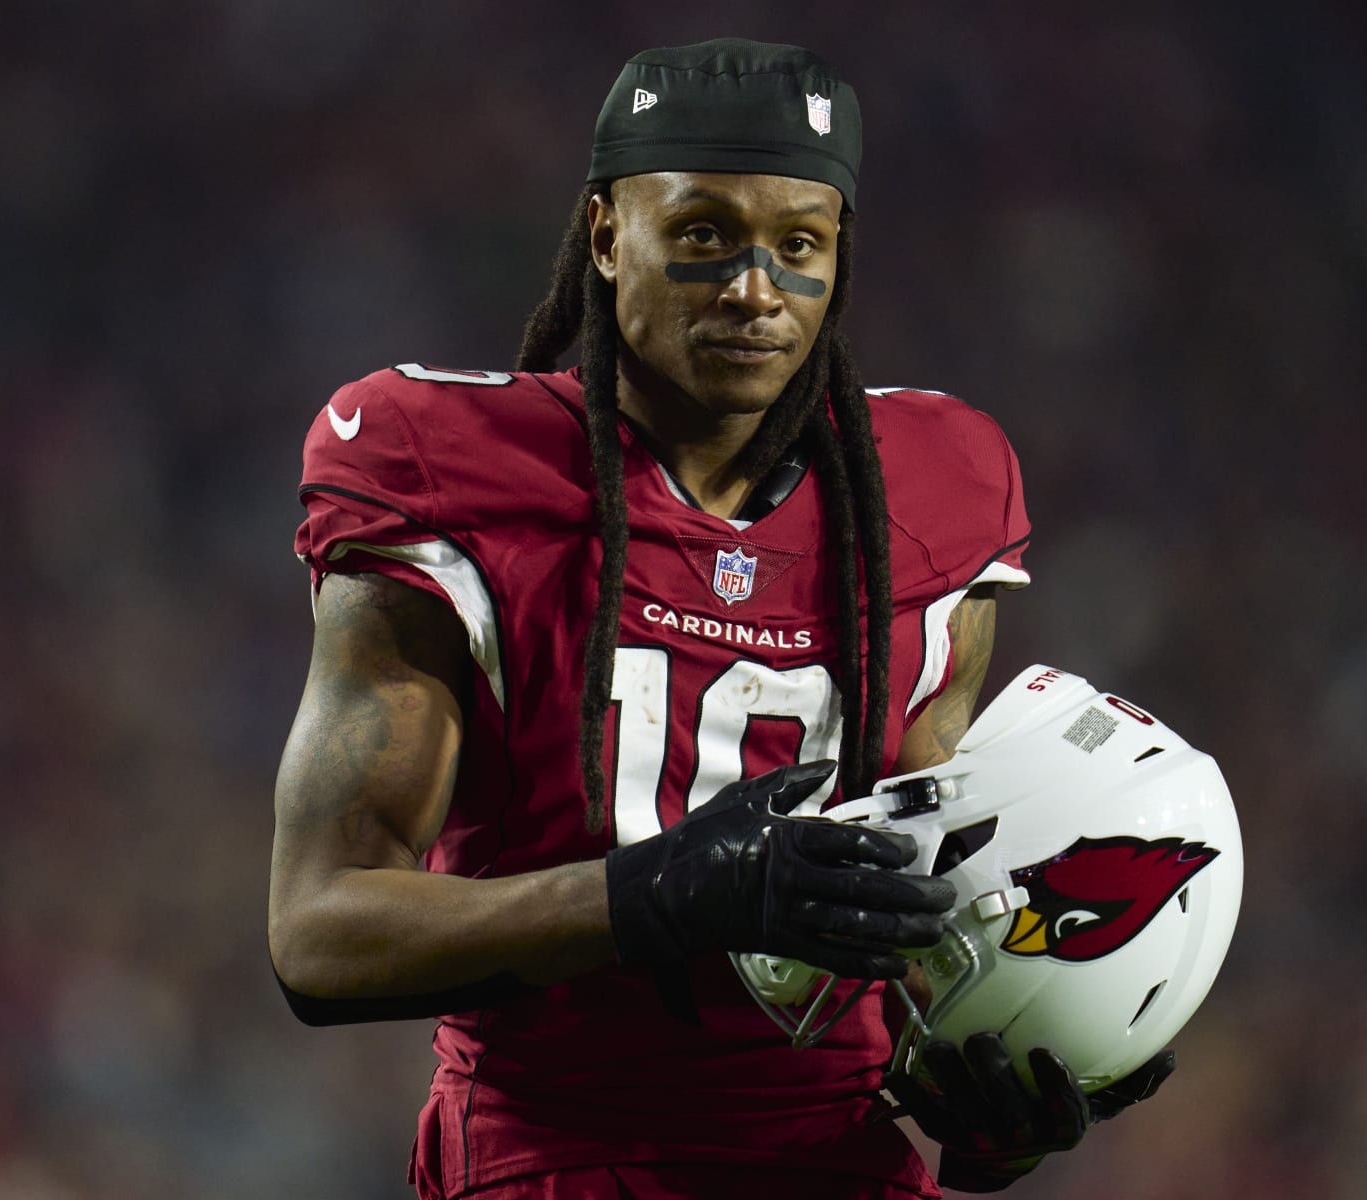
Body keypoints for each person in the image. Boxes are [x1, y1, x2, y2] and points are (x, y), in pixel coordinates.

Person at [269, 39, 1169, 1199]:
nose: (754, 287)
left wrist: (1001, 1111)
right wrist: (663, 894)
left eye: (798, 244)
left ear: (841, 258)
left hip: (842, 1166)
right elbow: (320, 933)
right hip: (553, 1157)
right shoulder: (441, 462)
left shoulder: (940, 488)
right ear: (605, 235)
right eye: (702, 235)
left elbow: (923, 915)